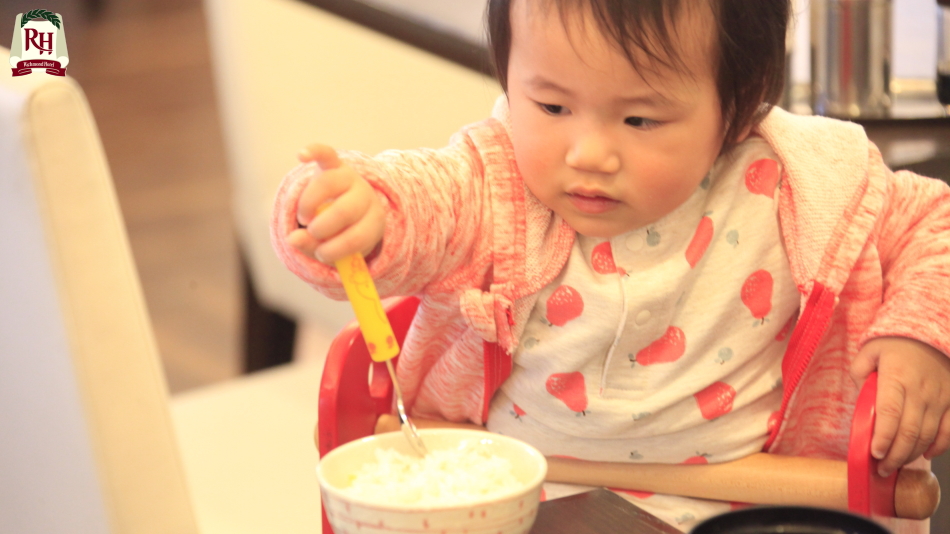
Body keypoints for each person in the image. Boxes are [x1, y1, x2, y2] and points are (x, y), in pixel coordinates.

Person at [272, 0, 950, 530]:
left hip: (737, 505)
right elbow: (421, 198)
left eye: (639, 121)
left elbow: (933, 222)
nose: (588, 152)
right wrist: (356, 210)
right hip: (516, 506)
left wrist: (919, 335)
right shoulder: (498, 183)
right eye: (552, 106)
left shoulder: (795, 186)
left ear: (738, 105)